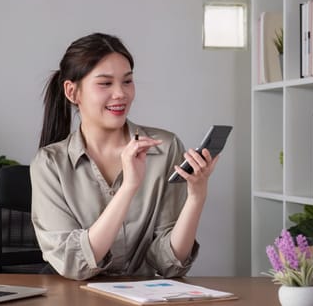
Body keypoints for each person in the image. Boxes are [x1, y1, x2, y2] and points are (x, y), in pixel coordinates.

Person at [30, 32, 219, 281]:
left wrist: (197, 196)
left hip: (145, 297)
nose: (121, 94)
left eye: (127, 81)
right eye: (105, 83)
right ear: (72, 92)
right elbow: (74, 263)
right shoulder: (49, 164)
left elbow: (169, 263)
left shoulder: (165, 148)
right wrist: (129, 186)